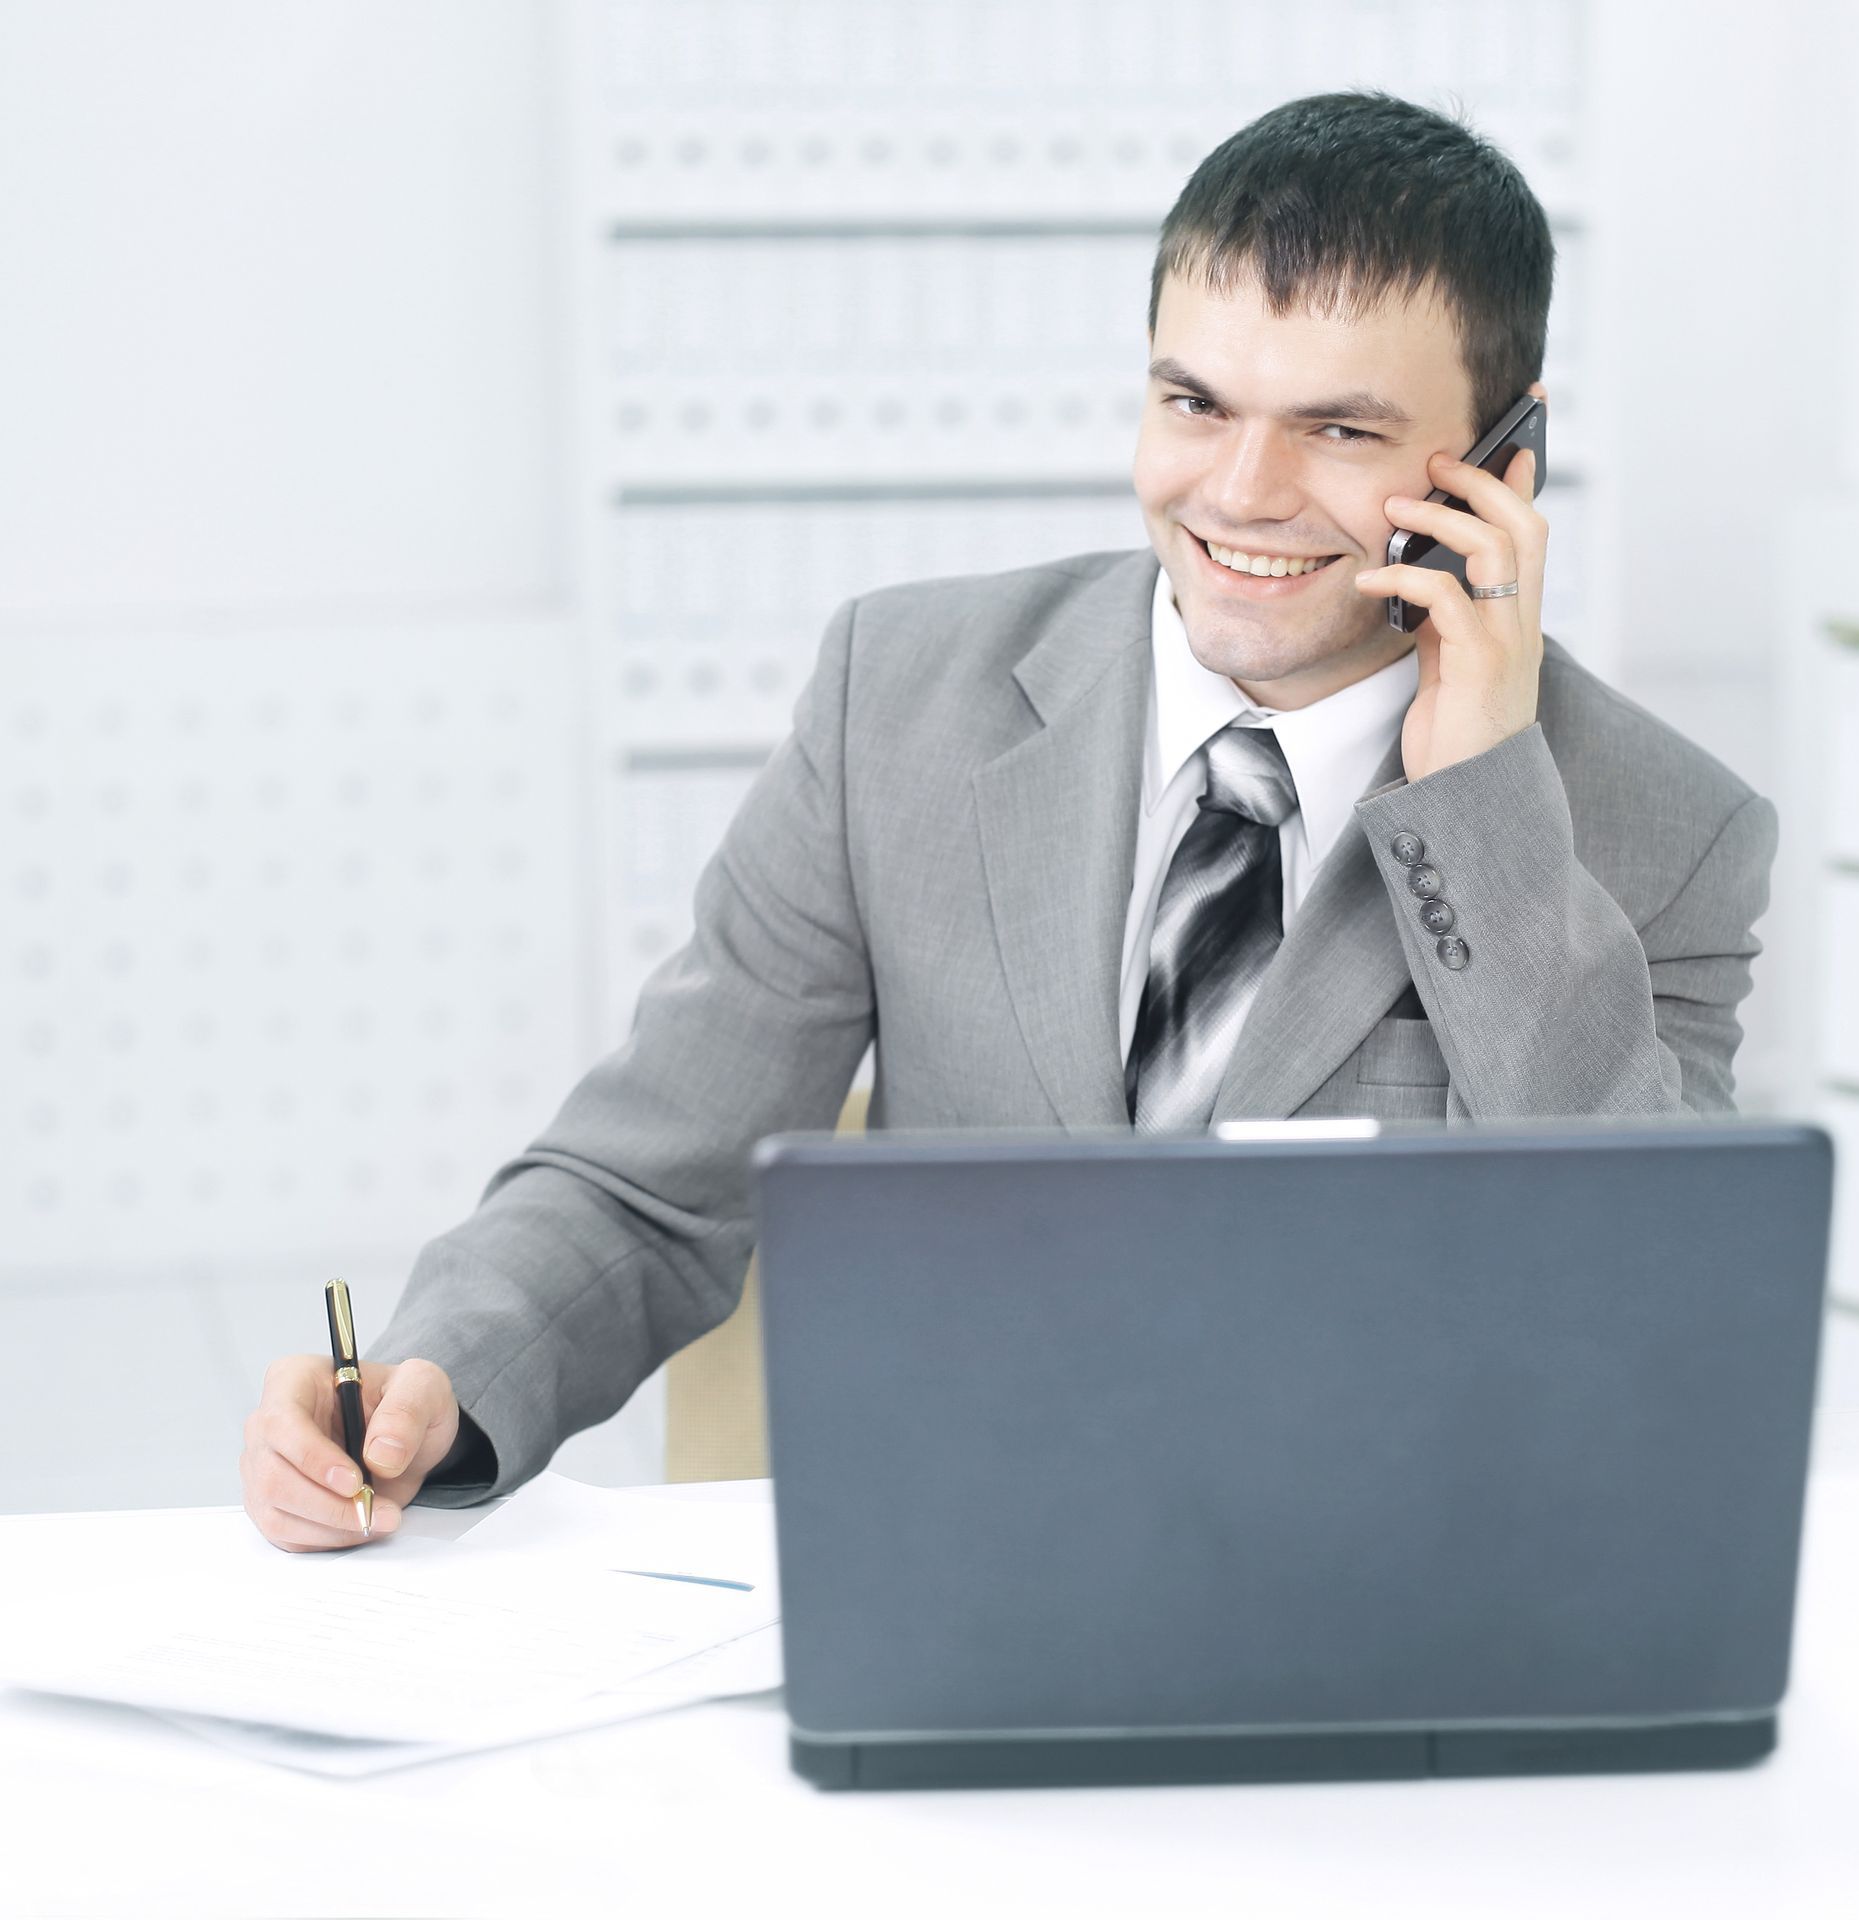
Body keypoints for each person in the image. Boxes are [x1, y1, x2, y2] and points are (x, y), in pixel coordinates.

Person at [240, 90, 1777, 1552]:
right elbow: (650, 1179)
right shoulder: (899, 699)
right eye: (1195, 402)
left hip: (1402, 1580)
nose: (1240, 490)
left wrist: (1478, 806)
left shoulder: (1668, 830)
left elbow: (1651, 1314)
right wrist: (440, 1375)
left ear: (1502, 464)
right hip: (963, 1553)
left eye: (1343, 431)